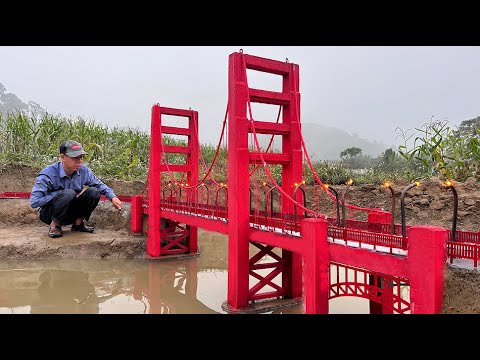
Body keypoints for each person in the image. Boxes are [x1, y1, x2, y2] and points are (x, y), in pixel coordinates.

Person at [30, 140, 123, 238]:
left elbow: (98, 184)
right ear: (63, 157)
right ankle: (55, 225)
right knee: (69, 194)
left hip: (70, 211)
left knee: (94, 191)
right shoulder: (48, 174)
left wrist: (112, 197)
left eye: (81, 157)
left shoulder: (83, 170)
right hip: (49, 214)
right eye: (75, 158)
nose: (79, 161)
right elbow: (34, 201)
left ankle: (78, 224)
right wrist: (59, 193)